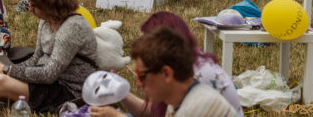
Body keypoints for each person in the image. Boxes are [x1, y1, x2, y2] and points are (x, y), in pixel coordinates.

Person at [89, 11, 244, 117]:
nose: (137, 83)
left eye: (142, 75)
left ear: (167, 73)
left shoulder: (198, 105)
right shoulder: (180, 97)